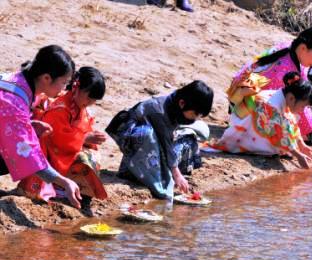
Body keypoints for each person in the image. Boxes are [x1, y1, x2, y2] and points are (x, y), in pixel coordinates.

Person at [230, 26, 312, 156]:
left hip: (240, 93)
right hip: (242, 105)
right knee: (308, 136)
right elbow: (296, 104)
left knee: (310, 117)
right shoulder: (284, 70)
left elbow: (302, 81)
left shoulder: (292, 47)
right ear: (303, 48)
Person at [0, 45, 83, 208]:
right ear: (46, 78)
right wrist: (64, 182)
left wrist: (29, 125)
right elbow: (27, 153)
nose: (64, 89)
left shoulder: (15, 80)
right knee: (15, 154)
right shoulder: (14, 100)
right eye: (63, 82)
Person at [106, 80, 213, 200]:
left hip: (159, 139)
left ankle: (155, 172)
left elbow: (168, 139)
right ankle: (130, 170)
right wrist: (176, 174)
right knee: (148, 136)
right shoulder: (159, 110)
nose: (195, 119)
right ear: (182, 103)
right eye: (195, 115)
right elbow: (166, 143)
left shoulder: (175, 105)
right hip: (135, 136)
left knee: (189, 139)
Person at [19, 67, 108, 201]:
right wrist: (84, 138)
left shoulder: (78, 105)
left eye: (94, 100)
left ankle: (71, 185)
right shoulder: (60, 108)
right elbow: (58, 139)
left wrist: (90, 137)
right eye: (89, 98)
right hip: (50, 152)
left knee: (91, 154)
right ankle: (58, 185)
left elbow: (82, 128)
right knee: (85, 158)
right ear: (76, 88)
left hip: (65, 148)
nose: (91, 103)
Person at [212, 72, 312, 169]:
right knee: (278, 143)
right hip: (244, 130)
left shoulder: (283, 97)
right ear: (291, 98)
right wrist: (298, 155)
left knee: (286, 123)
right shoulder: (271, 105)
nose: (302, 110)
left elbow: (289, 123)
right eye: (303, 106)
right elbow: (280, 136)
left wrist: (301, 144)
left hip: (259, 121)